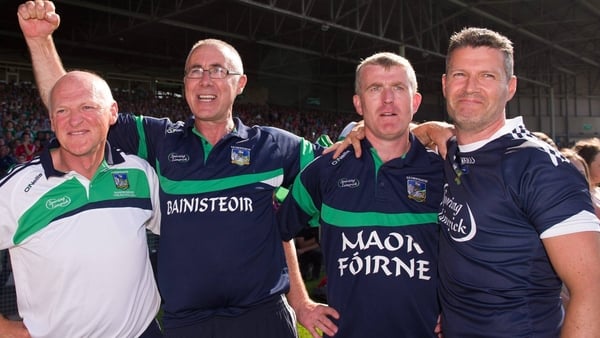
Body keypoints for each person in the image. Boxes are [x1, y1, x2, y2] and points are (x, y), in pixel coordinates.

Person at [17, 2, 339, 337]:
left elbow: (340, 167)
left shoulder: (275, 146)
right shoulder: (160, 140)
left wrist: (365, 133)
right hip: (187, 323)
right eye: (195, 71)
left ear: (240, 83)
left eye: (218, 70)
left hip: (260, 318)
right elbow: (73, 106)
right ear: (185, 82)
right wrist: (40, 41)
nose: (205, 80)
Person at [437, 27, 600, 337]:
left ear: (510, 87)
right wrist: (430, 129)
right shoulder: (450, 151)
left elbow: (592, 291)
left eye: (487, 76)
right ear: (445, 85)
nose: (470, 87)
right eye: (460, 75)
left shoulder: (539, 167)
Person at [278, 52, 444, 337]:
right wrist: (301, 303)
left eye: (398, 88)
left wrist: (460, 306)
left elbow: (476, 248)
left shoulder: (444, 173)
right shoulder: (327, 170)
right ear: (358, 103)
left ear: (415, 102)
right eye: (375, 88)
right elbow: (278, 231)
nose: (388, 99)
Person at [0, 71, 162, 338]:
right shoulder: (17, 190)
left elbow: (181, 231)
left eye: (87, 106)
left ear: (112, 113)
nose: (75, 120)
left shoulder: (139, 173)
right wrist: (6, 330)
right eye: (62, 110)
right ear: (52, 121)